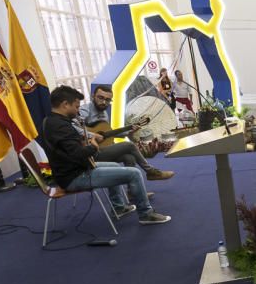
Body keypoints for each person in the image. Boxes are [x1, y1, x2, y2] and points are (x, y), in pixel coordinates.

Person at [42, 86, 170, 224]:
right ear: (65, 104)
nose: (78, 110)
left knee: (116, 165)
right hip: (74, 177)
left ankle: (119, 207)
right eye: (76, 106)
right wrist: (93, 145)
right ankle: (146, 214)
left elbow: (73, 151)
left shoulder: (52, 121)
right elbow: (79, 153)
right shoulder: (61, 126)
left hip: (76, 169)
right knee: (134, 173)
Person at [79, 87, 174, 181]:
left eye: (107, 100)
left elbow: (106, 134)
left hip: (101, 150)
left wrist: (129, 132)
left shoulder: (104, 113)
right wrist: (93, 136)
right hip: (89, 154)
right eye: (100, 98)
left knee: (130, 158)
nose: (104, 102)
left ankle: (133, 193)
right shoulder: (85, 110)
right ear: (93, 96)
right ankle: (151, 171)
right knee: (129, 145)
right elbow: (74, 129)